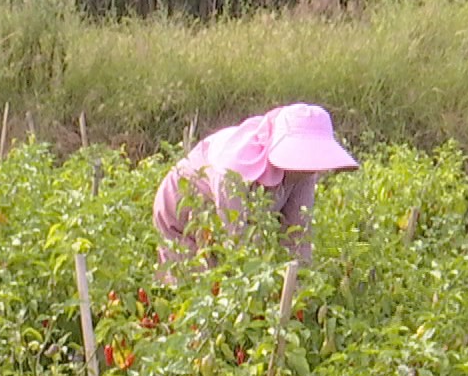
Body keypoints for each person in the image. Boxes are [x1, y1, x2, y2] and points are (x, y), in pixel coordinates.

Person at [152, 103, 358, 270]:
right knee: (195, 282)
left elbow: (297, 237)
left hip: (222, 223)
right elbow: (237, 241)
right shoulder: (233, 170)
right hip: (183, 210)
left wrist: (299, 289)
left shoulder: (304, 172)